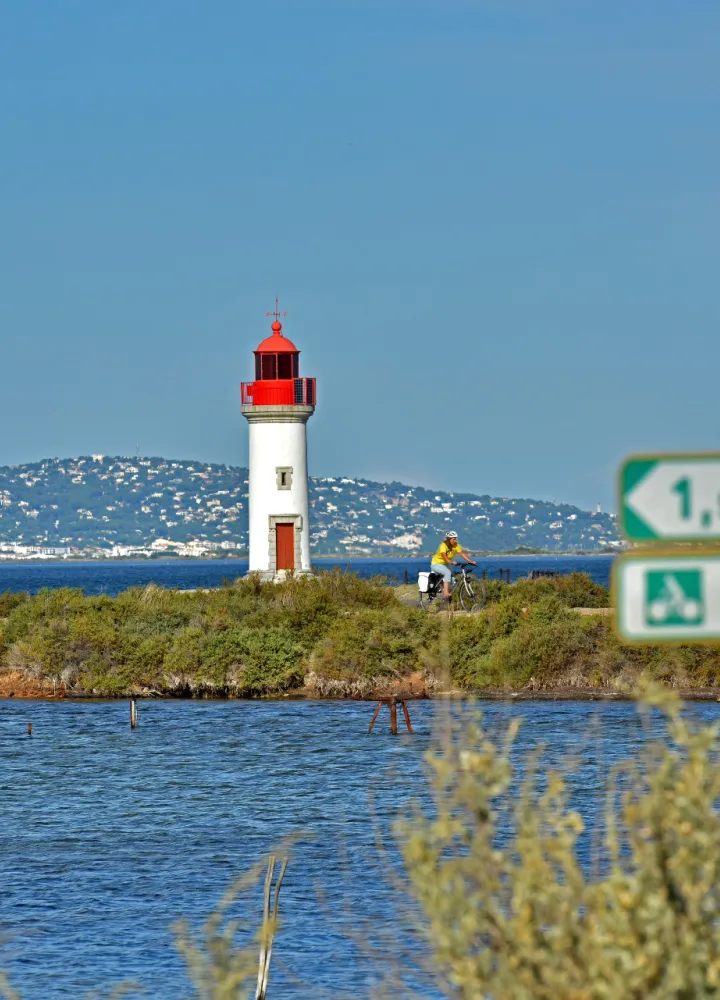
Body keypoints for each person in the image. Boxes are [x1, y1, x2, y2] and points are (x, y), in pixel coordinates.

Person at [430, 531, 477, 602]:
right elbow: (444, 556)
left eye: (456, 538)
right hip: (436, 564)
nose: (455, 540)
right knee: (447, 573)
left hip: (446, 564)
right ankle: (446, 594)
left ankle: (448, 597)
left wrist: (470, 561)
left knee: (453, 580)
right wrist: (451, 562)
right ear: (449, 539)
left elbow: (462, 553)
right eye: (453, 539)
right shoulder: (443, 545)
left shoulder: (456, 545)